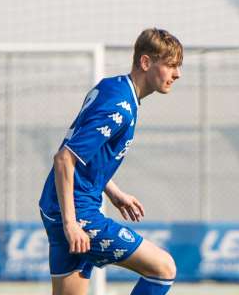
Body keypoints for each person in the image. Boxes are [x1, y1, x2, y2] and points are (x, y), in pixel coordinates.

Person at [38, 28, 183, 295]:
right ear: (146, 62)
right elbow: (64, 159)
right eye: (171, 65)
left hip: (58, 204)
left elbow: (85, 156)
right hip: (78, 212)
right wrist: (72, 223)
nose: (177, 74)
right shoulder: (120, 107)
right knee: (163, 269)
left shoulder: (112, 87)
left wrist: (114, 192)